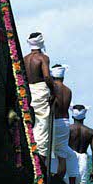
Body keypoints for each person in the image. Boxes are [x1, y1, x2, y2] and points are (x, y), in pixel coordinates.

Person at [24, 32, 55, 164]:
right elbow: (47, 76)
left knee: (30, 122)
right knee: (42, 125)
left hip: (29, 91)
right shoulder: (43, 58)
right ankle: (40, 162)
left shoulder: (25, 59)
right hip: (40, 91)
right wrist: (53, 91)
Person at [49, 64, 79, 184]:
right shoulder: (68, 90)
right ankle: (61, 182)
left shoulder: (52, 89)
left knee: (51, 152)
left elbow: (53, 104)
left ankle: (56, 182)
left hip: (54, 121)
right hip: (65, 122)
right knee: (62, 154)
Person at [68, 104, 93, 184]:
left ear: (73, 116)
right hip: (83, 159)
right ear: (84, 117)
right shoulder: (90, 132)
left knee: (68, 182)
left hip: (69, 157)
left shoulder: (68, 129)